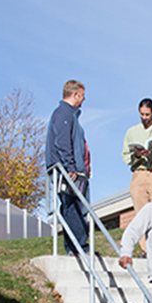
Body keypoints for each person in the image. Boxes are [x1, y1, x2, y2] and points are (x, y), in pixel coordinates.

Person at [45, 79, 91, 255]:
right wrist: (70, 167)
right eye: (82, 96)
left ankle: (76, 247)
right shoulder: (63, 113)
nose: (83, 99)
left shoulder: (69, 115)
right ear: (76, 94)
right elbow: (62, 142)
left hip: (73, 170)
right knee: (72, 207)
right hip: (67, 171)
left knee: (75, 206)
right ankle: (77, 247)